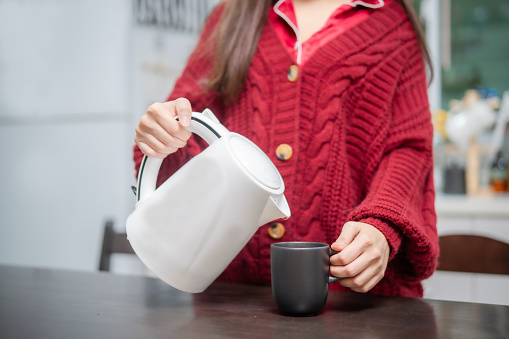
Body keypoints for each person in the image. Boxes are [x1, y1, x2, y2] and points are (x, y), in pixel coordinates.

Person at [133, 0, 439, 297]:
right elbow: (185, 132)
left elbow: (409, 148)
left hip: (353, 305)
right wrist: (161, 135)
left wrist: (382, 225)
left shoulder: (393, 25)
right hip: (231, 302)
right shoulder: (231, 18)